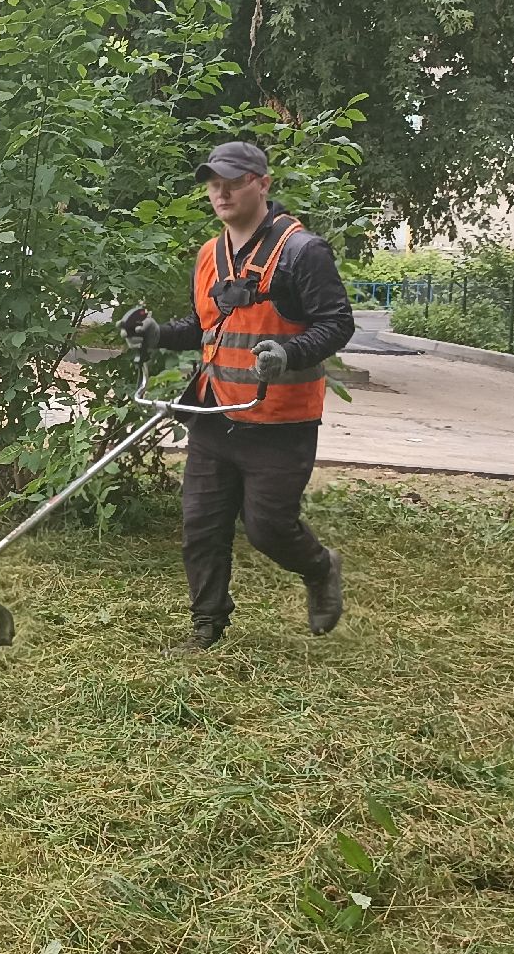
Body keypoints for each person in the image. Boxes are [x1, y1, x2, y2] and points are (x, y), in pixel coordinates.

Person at [121, 140, 355, 654]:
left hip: (278, 421)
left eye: (233, 180)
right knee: (200, 525)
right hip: (214, 413)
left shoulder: (302, 252)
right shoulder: (210, 254)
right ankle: (207, 627)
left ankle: (320, 568)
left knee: (268, 528)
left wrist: (290, 353)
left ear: (263, 183)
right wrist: (158, 333)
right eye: (213, 183)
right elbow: (206, 327)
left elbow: (337, 324)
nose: (221, 192)